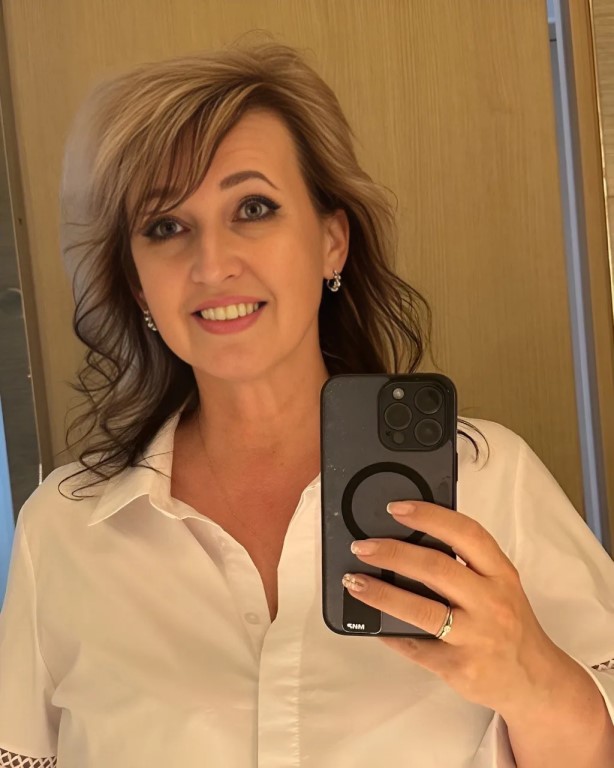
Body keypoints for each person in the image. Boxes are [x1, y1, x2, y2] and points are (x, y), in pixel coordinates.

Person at [0, 40, 613, 768]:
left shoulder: (489, 480)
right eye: (166, 226)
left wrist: (536, 682)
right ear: (138, 285)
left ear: (331, 242)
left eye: (253, 208)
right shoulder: (63, 531)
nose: (212, 264)